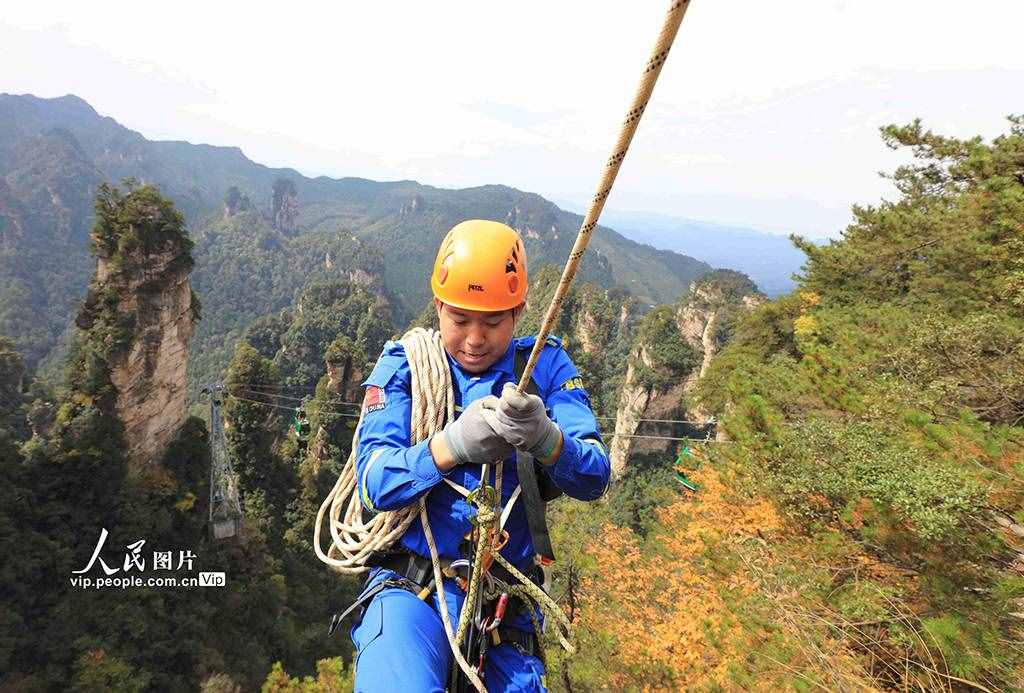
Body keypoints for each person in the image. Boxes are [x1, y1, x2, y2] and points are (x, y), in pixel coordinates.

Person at [346, 219, 610, 692]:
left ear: (519, 312)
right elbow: (374, 483)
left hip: (504, 605)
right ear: (438, 307)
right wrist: (450, 446)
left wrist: (547, 438)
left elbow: (594, 476)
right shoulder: (405, 363)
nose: (473, 339)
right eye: (459, 319)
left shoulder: (545, 365)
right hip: (413, 587)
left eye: (492, 322)